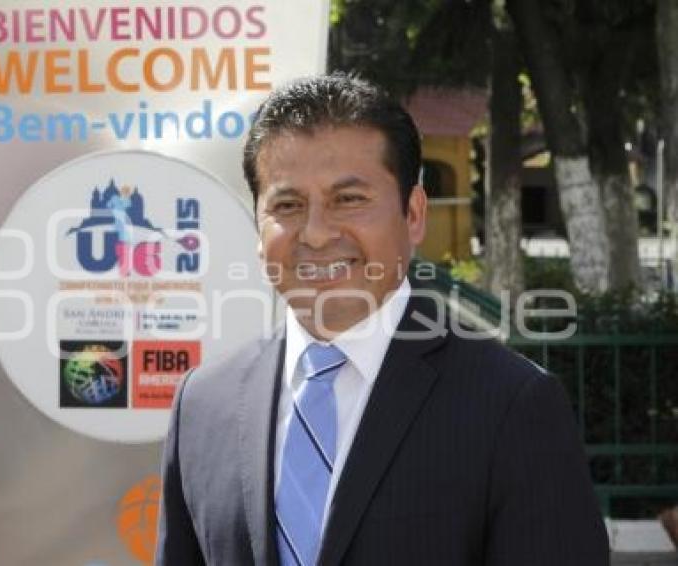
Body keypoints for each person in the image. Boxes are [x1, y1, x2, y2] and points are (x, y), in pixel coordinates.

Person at [156, 74, 609, 565]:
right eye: (287, 205)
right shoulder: (203, 405)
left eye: (348, 199)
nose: (316, 233)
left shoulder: (511, 406)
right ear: (259, 230)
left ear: (413, 214)